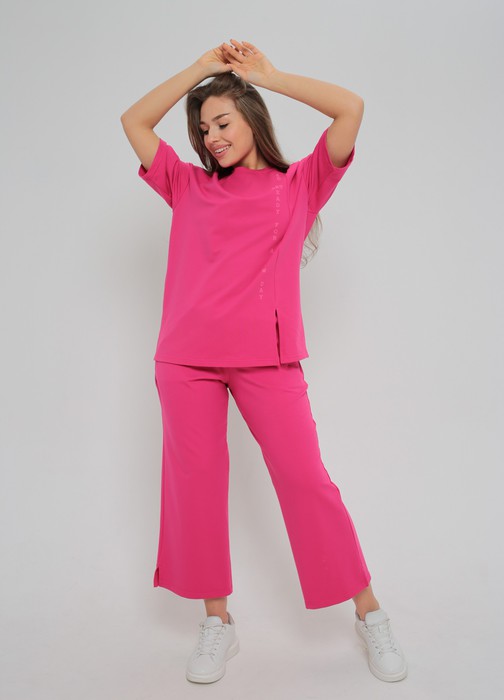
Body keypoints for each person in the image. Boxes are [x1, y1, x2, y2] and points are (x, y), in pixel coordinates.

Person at [120, 39, 408, 685]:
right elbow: (133, 121)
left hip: (268, 361)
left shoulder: (300, 184)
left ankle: (369, 613)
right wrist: (200, 71)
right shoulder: (186, 184)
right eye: (203, 129)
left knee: (306, 481)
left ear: (251, 117)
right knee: (196, 487)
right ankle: (217, 622)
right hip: (185, 361)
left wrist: (267, 77)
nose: (212, 138)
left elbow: (351, 108)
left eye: (223, 122)